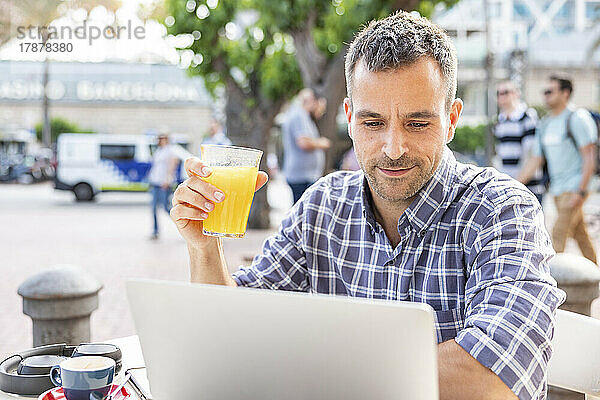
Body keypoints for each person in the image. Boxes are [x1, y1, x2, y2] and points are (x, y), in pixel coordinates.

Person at [171, 11, 564, 400]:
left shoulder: (501, 209)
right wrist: (204, 247)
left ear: (452, 119)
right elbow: (231, 329)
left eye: (418, 123)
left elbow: (491, 379)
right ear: (349, 117)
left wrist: (315, 372)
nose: (393, 149)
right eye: (373, 123)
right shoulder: (322, 207)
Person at [518, 75, 598, 264]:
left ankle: (551, 287)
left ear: (565, 93)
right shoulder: (545, 124)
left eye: (550, 91)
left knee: (557, 236)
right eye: (544, 92)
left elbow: (589, 156)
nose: (545, 96)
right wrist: (512, 183)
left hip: (574, 188)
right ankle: (596, 281)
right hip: (557, 190)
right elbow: (536, 159)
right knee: (582, 238)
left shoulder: (577, 118)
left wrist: (581, 190)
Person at [494, 80, 545, 204]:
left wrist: (515, 185)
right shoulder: (500, 121)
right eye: (498, 93)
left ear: (516, 94)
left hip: (528, 189)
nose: (502, 96)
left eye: (506, 92)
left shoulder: (527, 118)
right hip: (509, 189)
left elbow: (533, 156)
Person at [281, 88, 331, 203]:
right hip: (302, 177)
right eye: (321, 107)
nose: (321, 112)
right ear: (314, 102)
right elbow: (303, 142)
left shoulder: (302, 116)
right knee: (303, 214)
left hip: (304, 176)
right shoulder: (299, 115)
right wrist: (321, 143)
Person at [148, 134, 179, 240]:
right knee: (153, 208)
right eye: (159, 138)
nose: (160, 140)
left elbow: (173, 165)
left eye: (162, 138)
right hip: (155, 182)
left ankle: (183, 226)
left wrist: (168, 179)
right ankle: (155, 232)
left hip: (163, 184)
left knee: (167, 208)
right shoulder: (159, 151)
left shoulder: (170, 151)